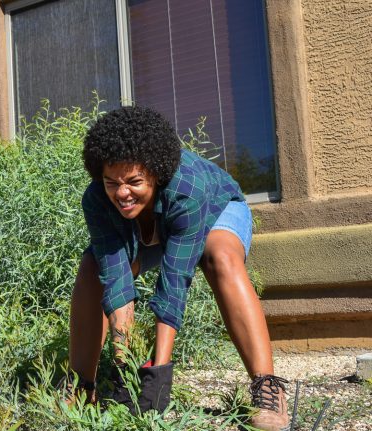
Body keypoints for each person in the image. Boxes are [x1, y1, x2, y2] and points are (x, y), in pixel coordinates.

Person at [68, 106, 289, 431]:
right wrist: (123, 365)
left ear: (156, 173)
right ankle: (81, 390)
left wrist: (159, 369)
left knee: (219, 255)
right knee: (91, 268)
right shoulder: (98, 200)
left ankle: (268, 390)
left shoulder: (188, 188)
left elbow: (174, 280)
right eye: (111, 182)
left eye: (134, 181)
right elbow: (116, 281)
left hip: (216, 210)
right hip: (148, 229)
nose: (122, 192)